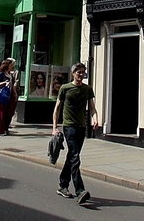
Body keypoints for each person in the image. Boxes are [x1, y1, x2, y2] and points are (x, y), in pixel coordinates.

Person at [52, 62, 98, 205]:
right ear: (73, 73)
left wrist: (95, 118)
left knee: (72, 156)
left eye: (83, 72)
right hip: (69, 127)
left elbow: (92, 107)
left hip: (81, 127)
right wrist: (54, 128)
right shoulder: (65, 88)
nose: (81, 75)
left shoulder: (87, 89)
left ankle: (63, 185)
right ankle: (80, 190)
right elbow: (57, 108)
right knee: (75, 157)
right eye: (78, 72)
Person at [0, 58, 18, 135]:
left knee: (9, 112)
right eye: (11, 65)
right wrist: (4, 82)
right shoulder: (1, 74)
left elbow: (13, 85)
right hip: (2, 95)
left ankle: (6, 128)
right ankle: (1, 130)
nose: (12, 66)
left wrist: (15, 94)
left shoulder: (11, 74)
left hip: (10, 95)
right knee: (2, 113)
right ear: (7, 65)